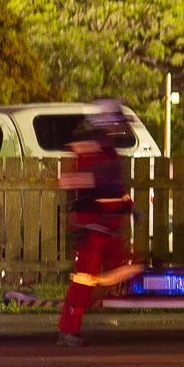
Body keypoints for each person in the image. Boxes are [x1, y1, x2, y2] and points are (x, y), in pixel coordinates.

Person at [55, 100, 142, 346]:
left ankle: (91, 310)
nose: (120, 129)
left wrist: (130, 207)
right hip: (93, 228)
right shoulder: (89, 151)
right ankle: (68, 330)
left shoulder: (108, 151)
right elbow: (79, 186)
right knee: (84, 279)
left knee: (124, 268)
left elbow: (115, 188)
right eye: (117, 123)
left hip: (108, 227)